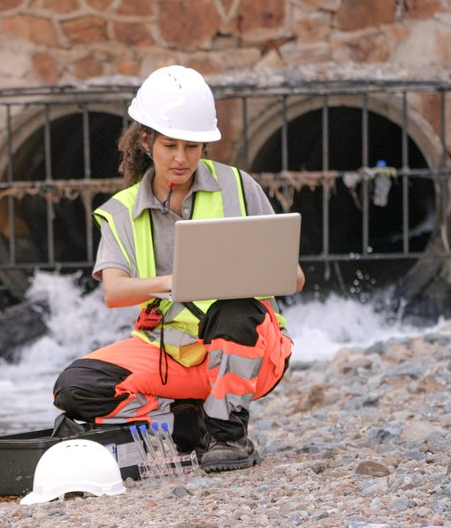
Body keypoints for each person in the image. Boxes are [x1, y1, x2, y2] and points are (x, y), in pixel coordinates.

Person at [51, 65, 303, 473]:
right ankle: (186, 424)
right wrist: (176, 281)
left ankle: (228, 435)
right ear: (146, 141)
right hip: (168, 352)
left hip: (249, 351)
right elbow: (114, 293)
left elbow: (295, 278)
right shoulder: (121, 211)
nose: (182, 158)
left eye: (192, 146)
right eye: (170, 145)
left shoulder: (239, 187)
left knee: (235, 308)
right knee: (74, 388)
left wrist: (251, 274)